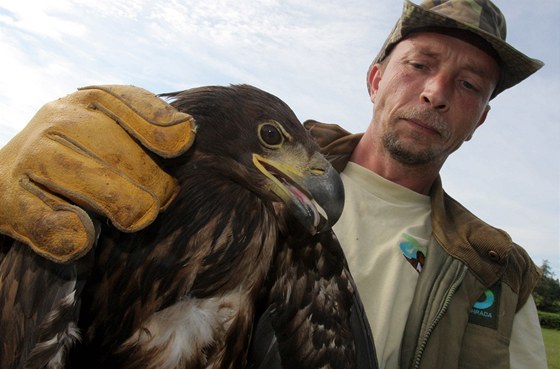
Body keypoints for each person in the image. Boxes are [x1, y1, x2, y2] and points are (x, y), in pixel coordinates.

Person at [0, 0, 548, 368]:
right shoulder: (166, 167)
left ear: (480, 120)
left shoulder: (499, 275)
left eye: (470, 84)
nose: (435, 92)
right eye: (419, 64)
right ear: (376, 78)